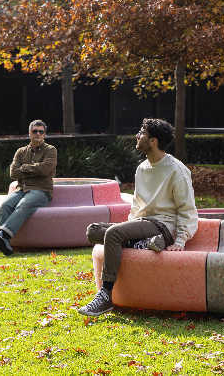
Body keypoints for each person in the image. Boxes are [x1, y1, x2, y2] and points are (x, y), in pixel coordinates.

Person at [78, 118, 198, 317]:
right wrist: (128, 227)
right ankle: (144, 243)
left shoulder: (176, 170)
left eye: (142, 132)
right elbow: (137, 205)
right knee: (93, 230)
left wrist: (180, 240)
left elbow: (187, 208)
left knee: (114, 234)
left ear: (153, 141)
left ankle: (105, 295)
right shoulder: (142, 168)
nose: (137, 136)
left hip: (163, 226)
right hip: (143, 224)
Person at [0, 119, 57, 256]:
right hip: (21, 189)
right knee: (5, 205)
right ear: (30, 133)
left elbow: (45, 170)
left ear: (44, 134)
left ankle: (0, 236)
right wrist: (34, 170)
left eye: (41, 131)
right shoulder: (21, 152)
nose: (38, 134)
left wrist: (24, 168)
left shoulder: (51, 150)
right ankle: (4, 240)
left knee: (23, 205)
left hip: (41, 191)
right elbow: (13, 173)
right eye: (35, 131)